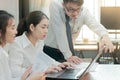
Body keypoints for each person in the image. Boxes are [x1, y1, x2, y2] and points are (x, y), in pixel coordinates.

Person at [43, 0, 114, 64]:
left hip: (68, 52)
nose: (75, 13)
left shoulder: (84, 12)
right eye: (71, 10)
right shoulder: (55, 6)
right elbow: (60, 32)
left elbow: (95, 24)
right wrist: (68, 56)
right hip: (51, 51)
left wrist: (105, 36)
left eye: (78, 9)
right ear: (63, 5)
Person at [8, 11, 71, 79]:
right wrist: (43, 70)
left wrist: (59, 64)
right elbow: (15, 72)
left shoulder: (40, 42)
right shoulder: (17, 44)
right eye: (43, 27)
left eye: (47, 27)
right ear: (32, 27)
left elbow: (43, 59)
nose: (46, 31)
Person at [0, 10, 46, 80]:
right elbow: (13, 73)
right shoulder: (2, 54)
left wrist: (23, 78)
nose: (16, 32)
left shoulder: (3, 53)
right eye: (12, 28)